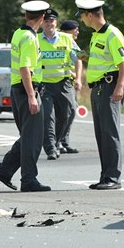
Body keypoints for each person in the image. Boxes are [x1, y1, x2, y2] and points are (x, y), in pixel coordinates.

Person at [0, 0, 51, 192]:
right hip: (27, 90)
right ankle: (29, 179)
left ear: (26, 16)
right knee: (33, 139)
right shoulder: (29, 38)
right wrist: (32, 96)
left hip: (18, 89)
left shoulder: (19, 33)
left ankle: (4, 170)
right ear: (42, 18)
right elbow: (25, 67)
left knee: (27, 136)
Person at [76, 0, 124, 190]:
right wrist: (86, 57)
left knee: (110, 133)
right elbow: (102, 59)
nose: (81, 20)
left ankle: (113, 177)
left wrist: (120, 87)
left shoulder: (112, 34)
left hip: (109, 87)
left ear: (90, 15)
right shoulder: (96, 35)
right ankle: (105, 175)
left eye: (82, 15)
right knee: (101, 134)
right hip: (98, 88)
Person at [38, 9, 82, 160]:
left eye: (52, 21)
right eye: (46, 21)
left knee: (67, 113)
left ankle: (56, 142)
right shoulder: (36, 39)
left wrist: (79, 79)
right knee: (48, 117)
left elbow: (78, 60)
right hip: (44, 85)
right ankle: (50, 148)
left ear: (56, 23)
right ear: (42, 22)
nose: (49, 23)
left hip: (63, 84)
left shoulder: (67, 39)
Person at [57, 19, 82, 154]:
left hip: (69, 82)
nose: (78, 31)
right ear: (67, 31)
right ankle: (57, 141)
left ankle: (64, 142)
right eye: (75, 29)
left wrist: (78, 77)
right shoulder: (59, 40)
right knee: (64, 112)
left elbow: (80, 58)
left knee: (71, 111)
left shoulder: (72, 42)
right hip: (57, 82)